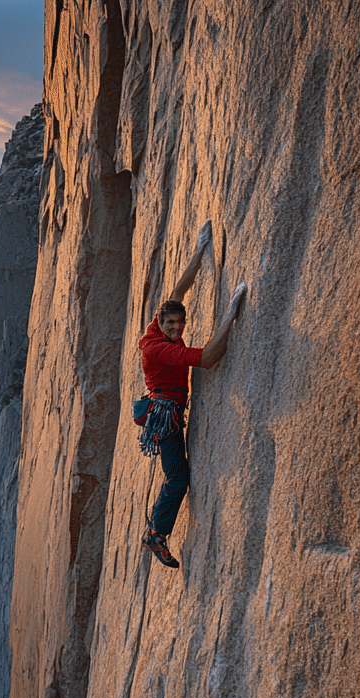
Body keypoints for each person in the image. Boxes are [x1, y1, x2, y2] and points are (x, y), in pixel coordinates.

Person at [140, 220, 247, 568]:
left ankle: (157, 531)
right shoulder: (159, 349)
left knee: (176, 477)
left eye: (179, 324)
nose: (176, 328)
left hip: (166, 411)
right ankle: (157, 533)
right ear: (162, 323)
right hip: (165, 416)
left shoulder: (158, 326)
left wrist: (200, 253)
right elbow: (207, 358)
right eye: (170, 324)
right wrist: (231, 314)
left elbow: (177, 292)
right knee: (178, 479)